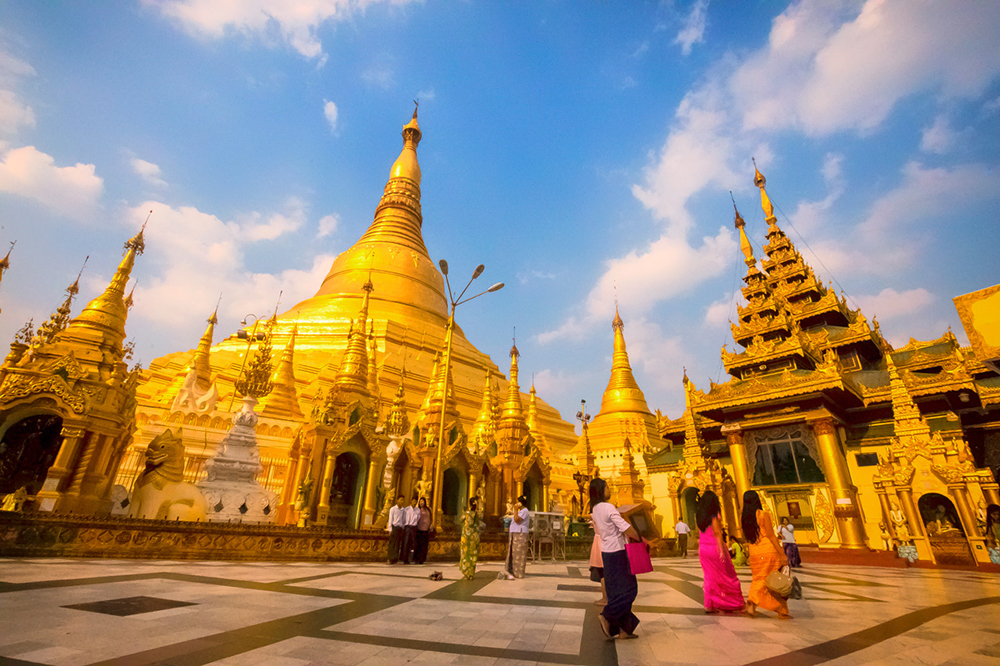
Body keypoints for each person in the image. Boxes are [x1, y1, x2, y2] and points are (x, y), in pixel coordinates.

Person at [591, 477, 645, 640]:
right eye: (607, 487)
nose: (610, 490)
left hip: (606, 552)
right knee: (630, 588)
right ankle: (607, 615)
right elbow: (624, 527)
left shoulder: (595, 508)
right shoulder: (608, 507)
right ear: (601, 490)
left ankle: (624, 630)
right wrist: (640, 538)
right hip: (618, 551)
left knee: (615, 591)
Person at [741, 490, 791, 619]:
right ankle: (777, 607)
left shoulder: (744, 517)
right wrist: (782, 553)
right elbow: (771, 536)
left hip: (754, 551)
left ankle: (755, 603)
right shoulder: (762, 514)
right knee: (770, 579)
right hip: (767, 550)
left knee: (759, 579)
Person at [696, 490, 745, 614]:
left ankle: (709, 604)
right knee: (727, 575)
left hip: (703, 549)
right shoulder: (714, 516)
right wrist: (722, 551)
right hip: (714, 548)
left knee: (709, 577)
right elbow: (717, 533)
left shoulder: (699, 516)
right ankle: (729, 603)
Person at [503, 495, 531, 579]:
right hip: (516, 533)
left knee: (519, 554)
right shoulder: (521, 511)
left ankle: (519, 572)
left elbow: (517, 520)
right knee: (514, 553)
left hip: (520, 534)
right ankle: (513, 570)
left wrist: (515, 509)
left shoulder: (524, 511)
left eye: (518, 502)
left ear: (520, 503)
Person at [459, 497, 483, 579]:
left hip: (466, 535)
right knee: (472, 554)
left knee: (465, 554)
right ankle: (471, 573)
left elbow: (461, 521)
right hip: (474, 536)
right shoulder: (476, 514)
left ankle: (466, 572)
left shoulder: (466, 513)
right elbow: (478, 524)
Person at [589, 514, 607, 606]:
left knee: (602, 572)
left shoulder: (597, 514)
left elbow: (584, 515)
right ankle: (606, 597)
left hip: (599, 543)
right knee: (603, 571)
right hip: (605, 542)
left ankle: (605, 598)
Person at [386, 495, 407, 564]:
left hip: (400, 528)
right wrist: (390, 529)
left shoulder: (403, 510)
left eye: (403, 500)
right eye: (400, 500)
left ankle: (395, 558)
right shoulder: (393, 509)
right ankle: (390, 558)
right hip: (394, 527)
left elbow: (404, 519)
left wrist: (403, 527)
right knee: (392, 544)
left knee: (398, 544)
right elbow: (390, 519)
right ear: (397, 500)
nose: (402, 501)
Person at [413, 497, 432, 564]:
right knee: (418, 545)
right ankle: (416, 558)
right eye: (420, 501)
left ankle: (422, 558)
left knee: (424, 545)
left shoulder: (428, 510)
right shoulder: (417, 510)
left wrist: (431, 525)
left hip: (426, 529)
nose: (421, 502)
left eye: (422, 501)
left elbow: (431, 517)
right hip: (419, 529)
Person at [402, 496, 420, 564]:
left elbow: (418, 519)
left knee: (413, 544)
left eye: (416, 501)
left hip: (413, 527)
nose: (414, 502)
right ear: (411, 501)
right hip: (407, 527)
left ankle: (411, 558)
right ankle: (405, 559)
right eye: (413, 501)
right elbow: (404, 519)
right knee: (406, 543)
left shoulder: (417, 510)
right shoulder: (406, 509)